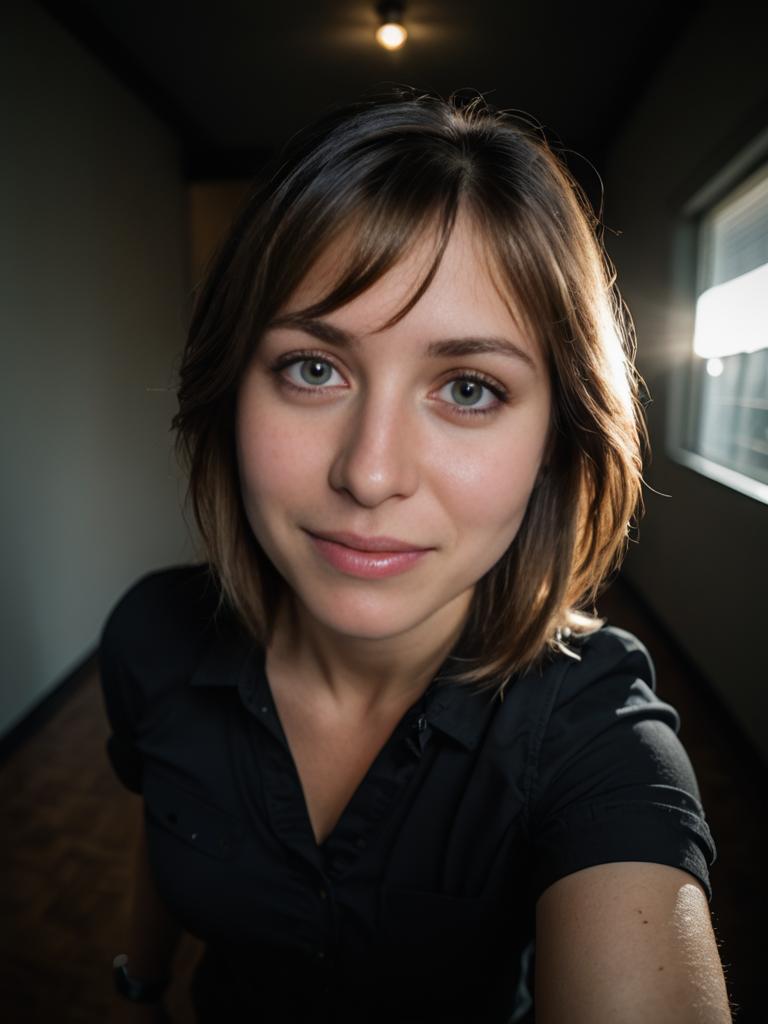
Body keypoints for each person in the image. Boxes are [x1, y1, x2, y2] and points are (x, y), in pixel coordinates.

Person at [99, 87, 732, 1024]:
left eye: (469, 388)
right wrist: (138, 985)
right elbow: (169, 821)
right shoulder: (153, 637)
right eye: (314, 368)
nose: (370, 472)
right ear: (231, 391)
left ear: (555, 441)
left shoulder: (593, 737)